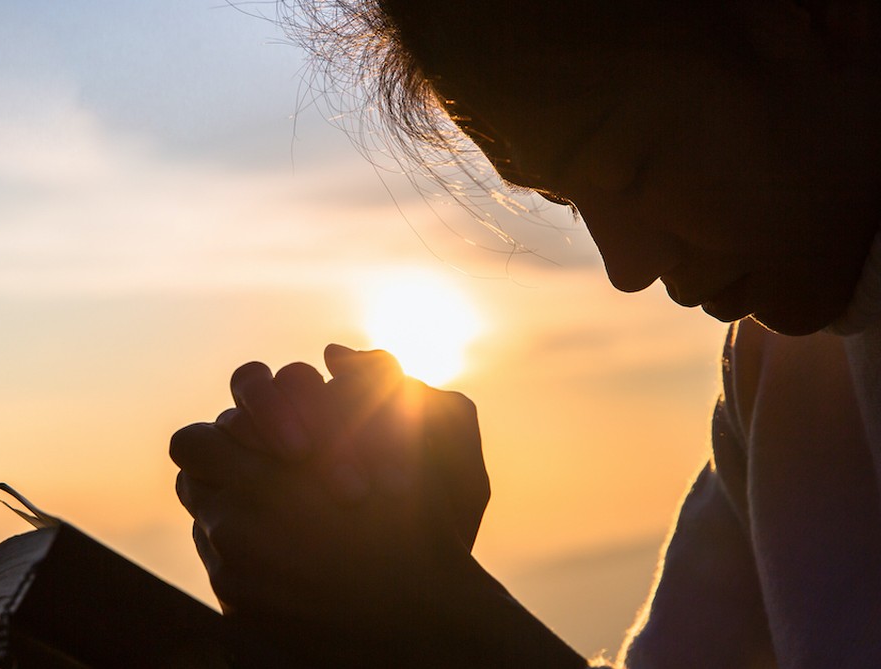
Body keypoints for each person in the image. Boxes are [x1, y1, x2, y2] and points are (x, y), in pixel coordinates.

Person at [171, 1, 881, 666]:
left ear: (817, 20)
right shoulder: (783, 376)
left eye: (633, 165)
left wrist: (437, 616)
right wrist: (385, 572)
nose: (626, 268)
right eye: (567, 201)